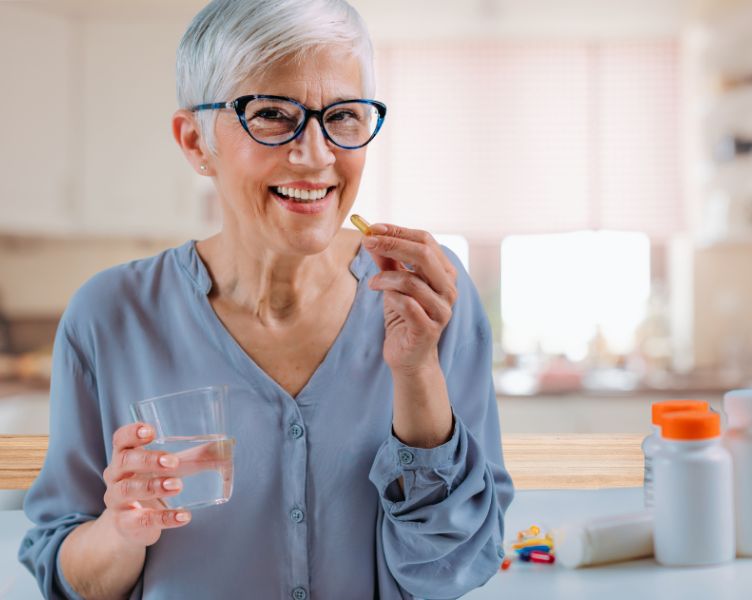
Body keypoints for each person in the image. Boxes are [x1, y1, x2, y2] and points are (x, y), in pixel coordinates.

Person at [18, 0, 514, 597]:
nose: (316, 154)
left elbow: (453, 569)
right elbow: (68, 577)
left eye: (345, 116)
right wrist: (122, 528)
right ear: (195, 142)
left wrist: (418, 375)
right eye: (273, 115)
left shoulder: (426, 296)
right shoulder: (110, 316)